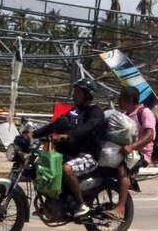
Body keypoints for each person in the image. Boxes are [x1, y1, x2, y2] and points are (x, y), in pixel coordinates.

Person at [29, 78, 105, 217]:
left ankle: (80, 204)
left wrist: (67, 136)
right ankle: (53, 201)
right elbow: (55, 125)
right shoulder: (73, 112)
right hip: (72, 154)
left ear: (88, 96)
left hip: (88, 155)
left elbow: (87, 128)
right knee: (43, 167)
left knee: (67, 169)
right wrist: (34, 134)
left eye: (78, 93)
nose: (74, 95)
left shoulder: (95, 112)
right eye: (74, 92)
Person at [109, 86, 156, 220]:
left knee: (122, 168)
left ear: (129, 99)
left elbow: (150, 135)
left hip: (140, 153)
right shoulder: (124, 116)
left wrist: (132, 147)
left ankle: (121, 208)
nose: (118, 102)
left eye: (120, 99)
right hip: (124, 152)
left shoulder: (144, 112)